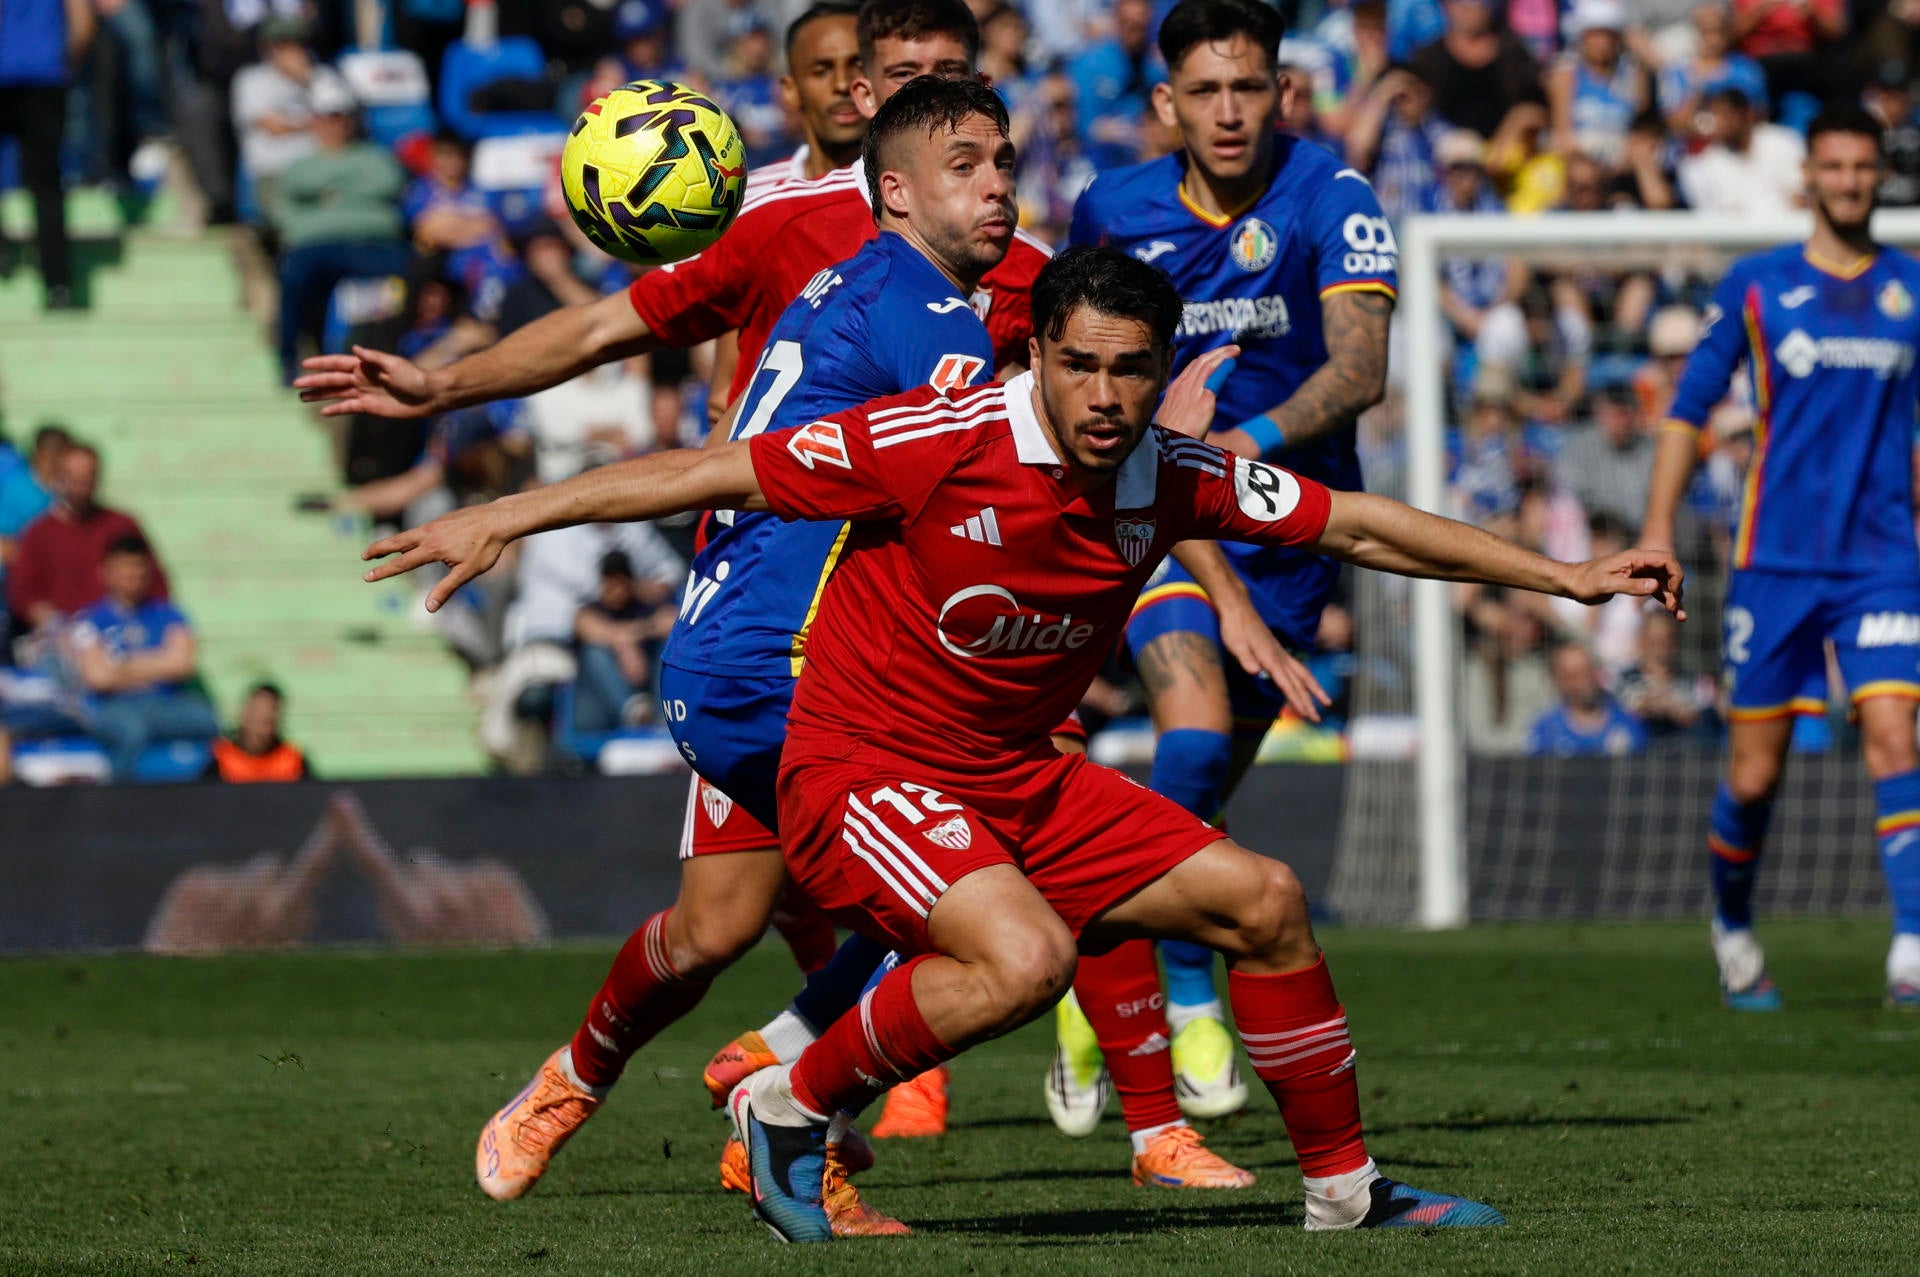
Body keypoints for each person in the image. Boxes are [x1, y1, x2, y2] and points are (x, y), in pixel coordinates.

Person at [364, 244, 1688, 1242]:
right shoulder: (934, 439)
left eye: (1130, 368)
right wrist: (511, 516)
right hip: (863, 763)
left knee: (1267, 903)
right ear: (1037, 354)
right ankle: (787, 1100)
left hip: (1018, 775)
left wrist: (1558, 576)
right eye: (1081, 364)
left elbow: (1356, 524)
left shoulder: (1172, 470)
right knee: (1024, 956)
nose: (1106, 395)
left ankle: (1345, 1196)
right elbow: (709, 471)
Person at [465, 75, 1282, 1229]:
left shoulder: (868, 276)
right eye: (968, 163)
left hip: (728, 638)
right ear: (887, 175)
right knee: (1019, 868)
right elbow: (1051, 464)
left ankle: (571, 1081)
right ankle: (799, 1091)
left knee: (714, 923)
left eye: (1003, 160)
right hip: (794, 658)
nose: (996, 183)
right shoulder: (929, 321)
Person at [1063, 0, 1398, 1125]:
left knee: (1193, 807)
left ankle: (1093, 948)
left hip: (1287, 540)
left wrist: (1241, 447)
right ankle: (1187, 992)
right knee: (1192, 722)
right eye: (1203, 91)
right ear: (1165, 103)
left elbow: (1360, 370)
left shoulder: (1331, 198)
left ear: (1283, 93)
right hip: (1154, 515)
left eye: (1247, 88)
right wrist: (1176, 459)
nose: (1227, 111)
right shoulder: (1112, 210)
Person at [1644, 104, 1920, 1011]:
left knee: (1892, 737)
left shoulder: (1910, 291)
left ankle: (1912, 950)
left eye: (1860, 167)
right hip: (1775, 564)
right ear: (1810, 176)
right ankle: (1732, 925)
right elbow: (1688, 407)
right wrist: (1656, 530)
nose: (1847, 181)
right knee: (1755, 774)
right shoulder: (1758, 284)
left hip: (1881, 559)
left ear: (1878, 176)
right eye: (1832, 166)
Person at [270, 77, 408, 383]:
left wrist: (325, 195)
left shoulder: (375, 158)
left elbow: (387, 183)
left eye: (338, 116)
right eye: (325, 116)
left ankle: (403, 354)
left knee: (411, 273)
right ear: (313, 121)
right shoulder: (299, 166)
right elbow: (284, 209)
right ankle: (287, 359)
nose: (332, 124)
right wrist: (355, 191)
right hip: (313, 247)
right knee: (292, 279)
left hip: (372, 244)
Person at [65, 535, 218, 781]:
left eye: (138, 566)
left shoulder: (169, 614)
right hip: (113, 707)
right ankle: (118, 799)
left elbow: (182, 665)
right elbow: (98, 678)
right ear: (107, 572)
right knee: (131, 731)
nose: (132, 574)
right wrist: (158, 664)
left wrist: (122, 666)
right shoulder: (91, 621)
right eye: (124, 566)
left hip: (166, 704)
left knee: (207, 720)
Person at [6, 443, 170, 632]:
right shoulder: (39, 533)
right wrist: (53, 622)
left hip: (123, 637)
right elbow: (23, 594)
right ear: (58, 477)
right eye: (74, 478)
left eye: (87, 477)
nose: (80, 486)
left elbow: (156, 586)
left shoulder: (122, 526)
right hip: (63, 640)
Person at [0, 0, 94, 310]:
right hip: (45, 77)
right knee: (47, 186)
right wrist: (62, 63)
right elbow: (82, 23)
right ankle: (57, 285)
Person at [571, 550, 677, 731]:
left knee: (667, 646)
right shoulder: (593, 609)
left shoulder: (642, 607)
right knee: (594, 652)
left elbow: (672, 620)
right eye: (609, 584)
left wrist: (634, 635)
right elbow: (584, 625)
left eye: (619, 584)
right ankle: (633, 714)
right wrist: (623, 645)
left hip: (647, 696)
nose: (615, 592)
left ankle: (661, 719)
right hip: (599, 712)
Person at [1676, 86, 1806, 218]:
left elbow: (1800, 199)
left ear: (1746, 115)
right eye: (1715, 115)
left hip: (1788, 232)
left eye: (1726, 115)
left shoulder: (1785, 143)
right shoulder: (1701, 165)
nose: (1720, 123)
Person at [1524, 640, 1648, 756]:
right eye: (1574, 676)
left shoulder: (1627, 723)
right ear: (1558, 681)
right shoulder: (1545, 731)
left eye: (1588, 671)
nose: (1585, 681)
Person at [208, 683, 310, 782]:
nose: (261, 731)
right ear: (243, 714)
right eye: (256, 717)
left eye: (266, 721)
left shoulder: (292, 760)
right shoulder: (221, 758)